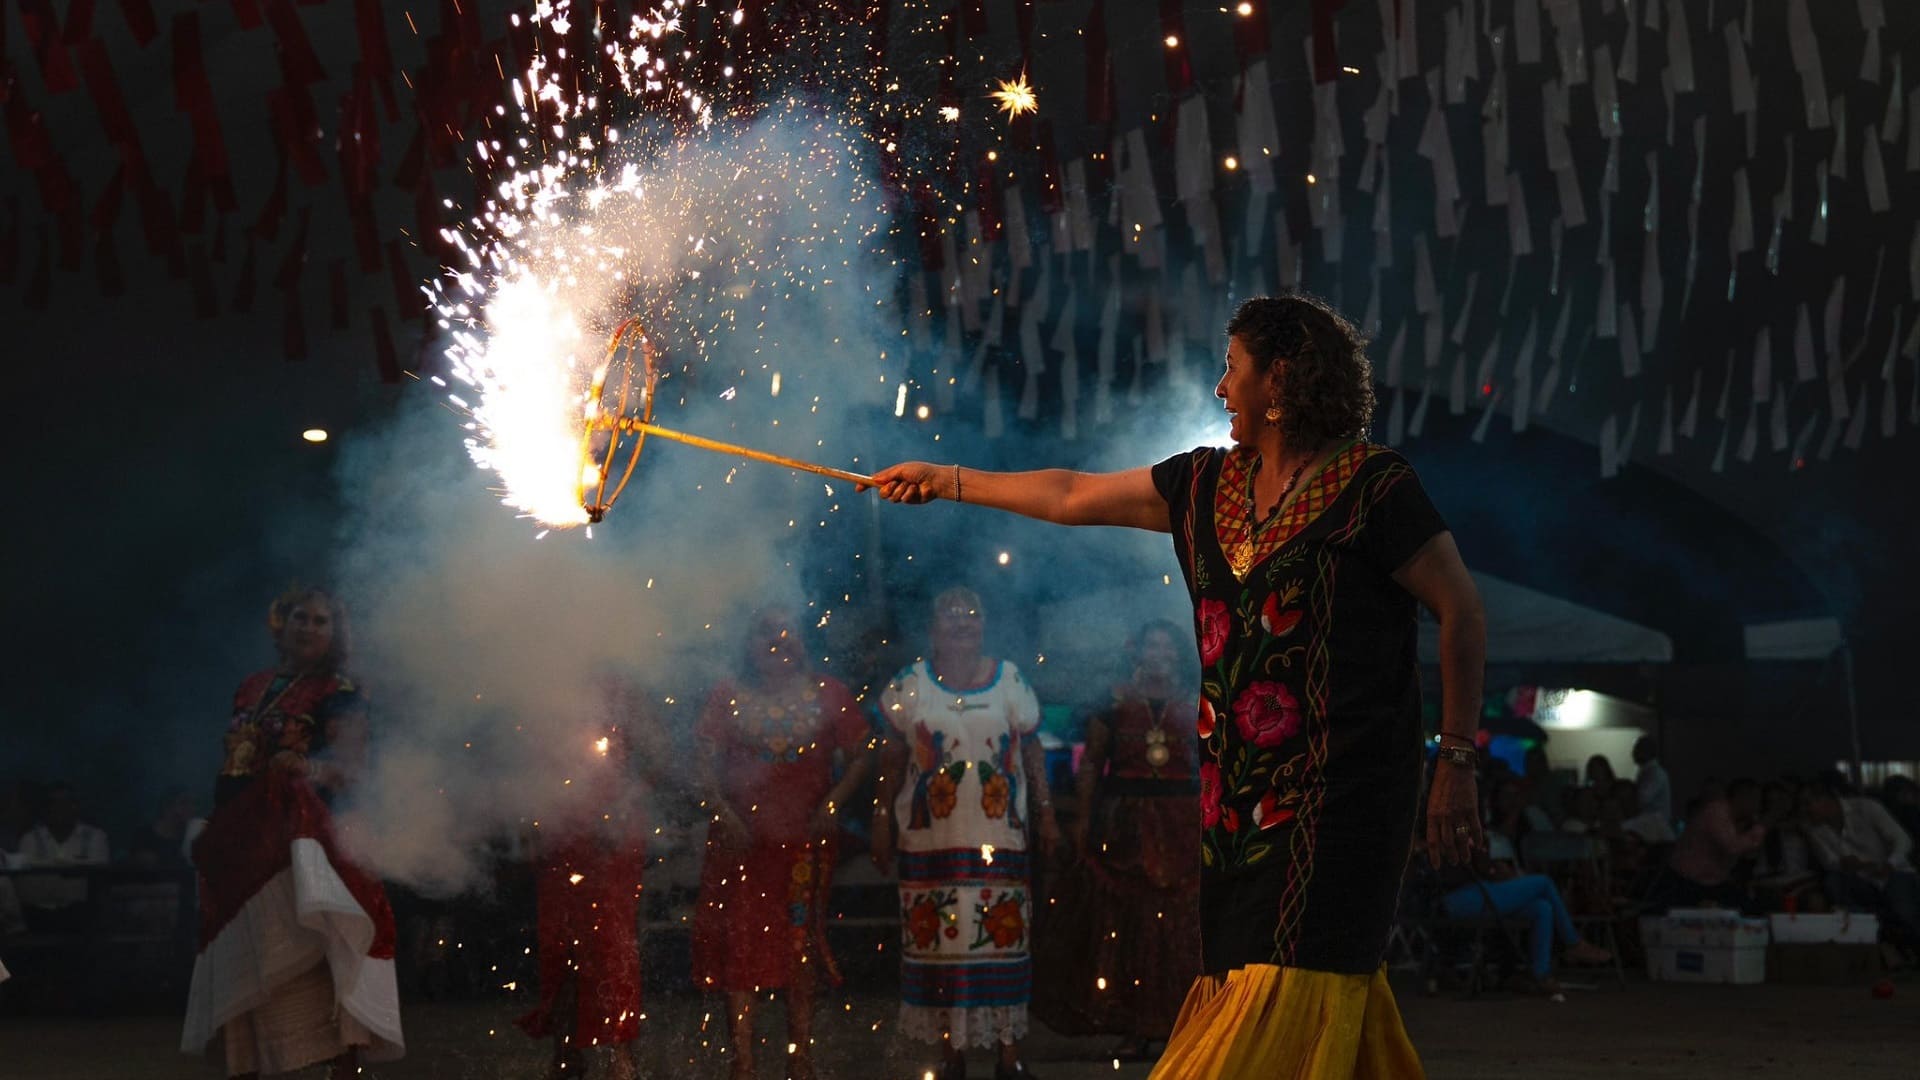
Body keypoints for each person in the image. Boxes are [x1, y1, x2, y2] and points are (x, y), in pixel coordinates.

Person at [869, 294, 1486, 1080]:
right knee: (1259, 986)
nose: (1221, 388)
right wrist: (945, 479)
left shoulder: (1374, 487)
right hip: (1233, 805)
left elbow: (1462, 609)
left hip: (1347, 797)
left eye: (1233, 368)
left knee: (1295, 979)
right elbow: (1068, 496)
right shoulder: (1203, 486)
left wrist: (1457, 760)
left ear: (1282, 379)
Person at [180, 587, 403, 1080]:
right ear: (282, 623)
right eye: (300, 617)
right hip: (248, 845)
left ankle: (342, 1068)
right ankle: (249, 1066)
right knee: (246, 954)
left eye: (321, 621)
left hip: (312, 843)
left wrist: (301, 768)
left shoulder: (341, 693)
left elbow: (351, 770)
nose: (308, 627)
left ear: (335, 632)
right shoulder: (251, 686)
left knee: (322, 949)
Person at [871, 587, 1058, 1080]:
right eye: (949, 615)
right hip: (930, 843)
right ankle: (952, 1056)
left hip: (1000, 841)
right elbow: (890, 758)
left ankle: (1008, 1057)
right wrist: (879, 820)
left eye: (971, 615)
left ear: (984, 625)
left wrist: (1047, 813)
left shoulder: (1010, 680)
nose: (961, 623)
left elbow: (1033, 752)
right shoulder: (911, 684)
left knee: (1003, 944)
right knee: (942, 949)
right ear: (932, 628)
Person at [693, 608, 872, 1080]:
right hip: (742, 843)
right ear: (748, 643)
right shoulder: (726, 695)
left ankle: (800, 1057)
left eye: (785, 630)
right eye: (764, 630)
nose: (777, 640)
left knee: (800, 946)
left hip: (803, 844)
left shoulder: (828, 693)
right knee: (742, 946)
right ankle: (744, 1063)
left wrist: (832, 805)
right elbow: (703, 764)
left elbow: (861, 755)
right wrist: (722, 811)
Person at [1033, 619, 1201, 1060]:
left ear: (1178, 654)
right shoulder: (1114, 703)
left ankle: (1184, 1024)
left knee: (1182, 924)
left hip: (1183, 821)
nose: (1159, 653)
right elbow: (1091, 764)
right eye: (1152, 645)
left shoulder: (1196, 704)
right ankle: (1135, 1024)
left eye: (1167, 646)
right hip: (1128, 821)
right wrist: (1084, 820)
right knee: (1133, 923)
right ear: (1139, 652)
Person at [517, 680, 656, 1080]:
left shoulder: (627, 686)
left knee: (610, 943)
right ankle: (566, 1049)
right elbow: (530, 759)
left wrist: (623, 807)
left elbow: (655, 759)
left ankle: (619, 1055)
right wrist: (532, 817)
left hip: (613, 835)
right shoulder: (548, 678)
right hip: (560, 831)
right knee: (560, 940)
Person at [1804, 781, 1920, 944]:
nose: (1805, 810)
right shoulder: (1814, 828)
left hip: (1894, 873)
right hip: (1858, 880)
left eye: (1808, 804)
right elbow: (1828, 861)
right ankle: (1873, 938)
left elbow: (1903, 840)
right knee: (1834, 881)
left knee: (1905, 911)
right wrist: (1844, 863)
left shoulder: (1866, 808)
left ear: (1826, 800)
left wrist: (1890, 864)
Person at [13, 782, 111, 932]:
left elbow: (98, 875)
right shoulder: (30, 839)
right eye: (54, 803)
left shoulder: (95, 837)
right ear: (45, 809)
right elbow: (26, 883)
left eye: (66, 803)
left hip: (82, 915)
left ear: (76, 806)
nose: (60, 808)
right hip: (37, 914)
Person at [1657, 778, 1767, 912]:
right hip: (1684, 882)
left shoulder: (1742, 821)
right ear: (1741, 796)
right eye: (1755, 799)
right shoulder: (1717, 811)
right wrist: (1760, 829)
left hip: (1712, 883)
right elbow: (1732, 847)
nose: (1757, 805)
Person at [127, 788, 198, 870]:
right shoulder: (143, 835)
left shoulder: (189, 837)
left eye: (193, 803)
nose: (192, 808)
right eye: (184, 803)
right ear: (166, 806)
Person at [1624, 737, 1675, 843]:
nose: (1633, 752)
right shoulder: (1648, 772)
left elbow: (1642, 799)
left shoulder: (1655, 773)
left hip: (1654, 831)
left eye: (1637, 749)